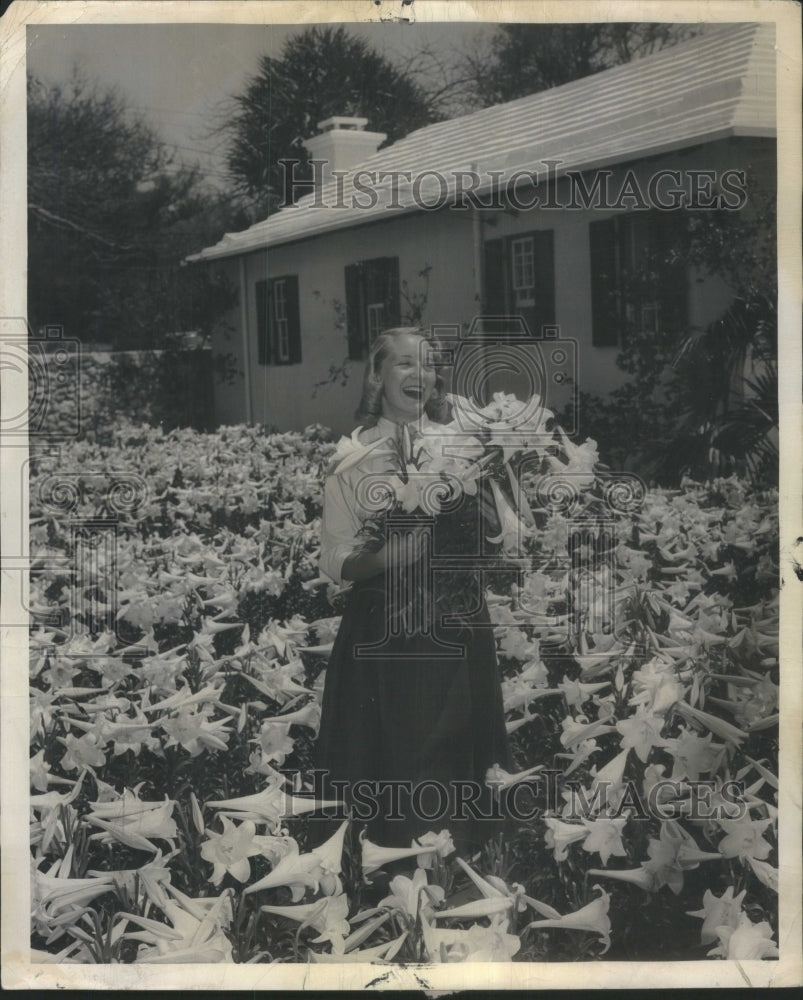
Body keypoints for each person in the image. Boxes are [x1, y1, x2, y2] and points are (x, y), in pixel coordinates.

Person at [315, 327, 512, 854]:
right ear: (377, 376)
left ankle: (459, 870)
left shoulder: (465, 447)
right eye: (404, 364)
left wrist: (491, 522)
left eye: (428, 365)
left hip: (457, 618)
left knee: (455, 748)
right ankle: (396, 876)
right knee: (398, 753)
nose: (419, 376)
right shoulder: (353, 458)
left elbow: (494, 543)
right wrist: (386, 558)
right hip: (385, 623)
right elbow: (334, 557)